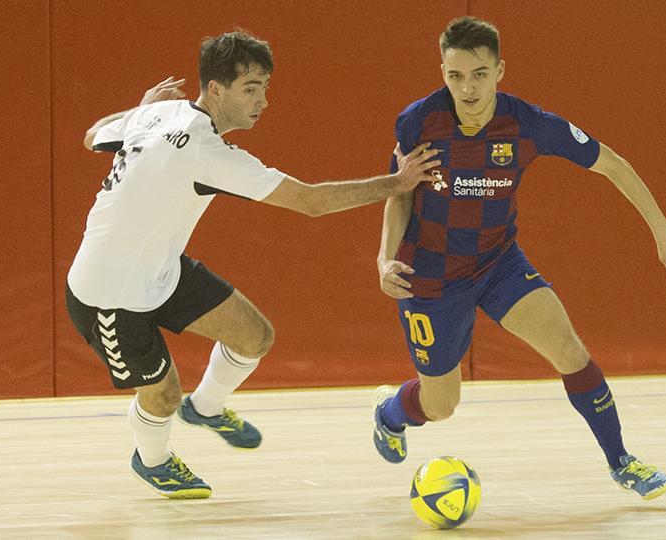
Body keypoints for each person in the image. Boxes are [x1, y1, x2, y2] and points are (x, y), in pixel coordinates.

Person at [66, 31, 440, 499]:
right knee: (161, 395)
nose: (263, 100)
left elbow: (91, 135)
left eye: (265, 86)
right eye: (251, 89)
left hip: (158, 270)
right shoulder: (206, 151)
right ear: (216, 90)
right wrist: (399, 182)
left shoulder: (162, 112)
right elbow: (311, 202)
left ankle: (205, 407)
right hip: (107, 293)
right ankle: (152, 460)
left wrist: (138, 109)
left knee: (254, 336)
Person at [372, 16, 666, 501]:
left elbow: (613, 164)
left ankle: (621, 461)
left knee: (569, 350)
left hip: (498, 263)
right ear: (443, 72)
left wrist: (663, 234)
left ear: (500, 70)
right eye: (456, 76)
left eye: (479, 73)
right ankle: (391, 415)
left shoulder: (529, 124)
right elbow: (400, 194)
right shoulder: (419, 121)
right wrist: (383, 260)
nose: (468, 87)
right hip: (431, 277)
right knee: (441, 406)